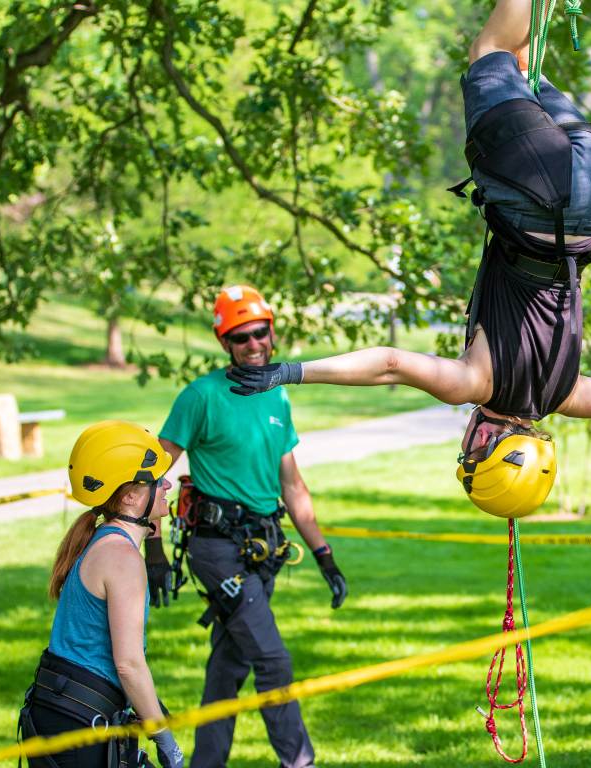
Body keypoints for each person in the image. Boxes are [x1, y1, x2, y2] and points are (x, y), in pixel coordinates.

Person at [225, 0, 591, 503]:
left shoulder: (570, 396)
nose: (464, 441)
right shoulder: (473, 384)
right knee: (488, 50)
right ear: (486, 442)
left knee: (518, 69)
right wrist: (289, 372)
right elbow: (391, 364)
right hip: (537, 194)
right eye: (470, 452)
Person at [155, 285, 346, 768]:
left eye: (260, 332)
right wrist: (151, 549)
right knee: (273, 659)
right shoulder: (200, 397)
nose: (254, 344)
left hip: (263, 548)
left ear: (271, 332)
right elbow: (150, 476)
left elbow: (292, 485)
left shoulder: (277, 395)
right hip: (217, 548)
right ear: (225, 342)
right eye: (241, 337)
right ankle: (299, 762)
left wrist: (323, 555)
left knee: (228, 667)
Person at [18, 420, 183, 768]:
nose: (168, 485)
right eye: (157, 479)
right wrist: (166, 741)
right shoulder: (122, 558)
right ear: (130, 497)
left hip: (62, 711)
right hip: (80, 724)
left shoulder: (103, 540)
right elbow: (129, 664)